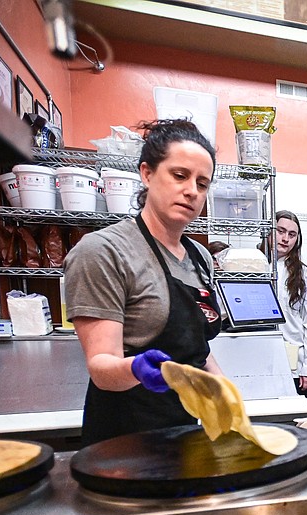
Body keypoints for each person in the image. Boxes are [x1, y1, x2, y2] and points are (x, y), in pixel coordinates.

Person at [64, 119, 223, 446]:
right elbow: (101, 367)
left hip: (184, 432)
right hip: (124, 443)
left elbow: (196, 348)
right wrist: (136, 369)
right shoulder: (104, 251)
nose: (192, 190)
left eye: (203, 183)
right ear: (147, 173)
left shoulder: (200, 258)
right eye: (180, 175)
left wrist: (223, 393)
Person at [272, 210, 307, 395]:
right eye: (280, 231)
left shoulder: (302, 274)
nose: (285, 238)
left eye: (292, 234)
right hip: (259, 355)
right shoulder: (253, 264)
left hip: (293, 360)